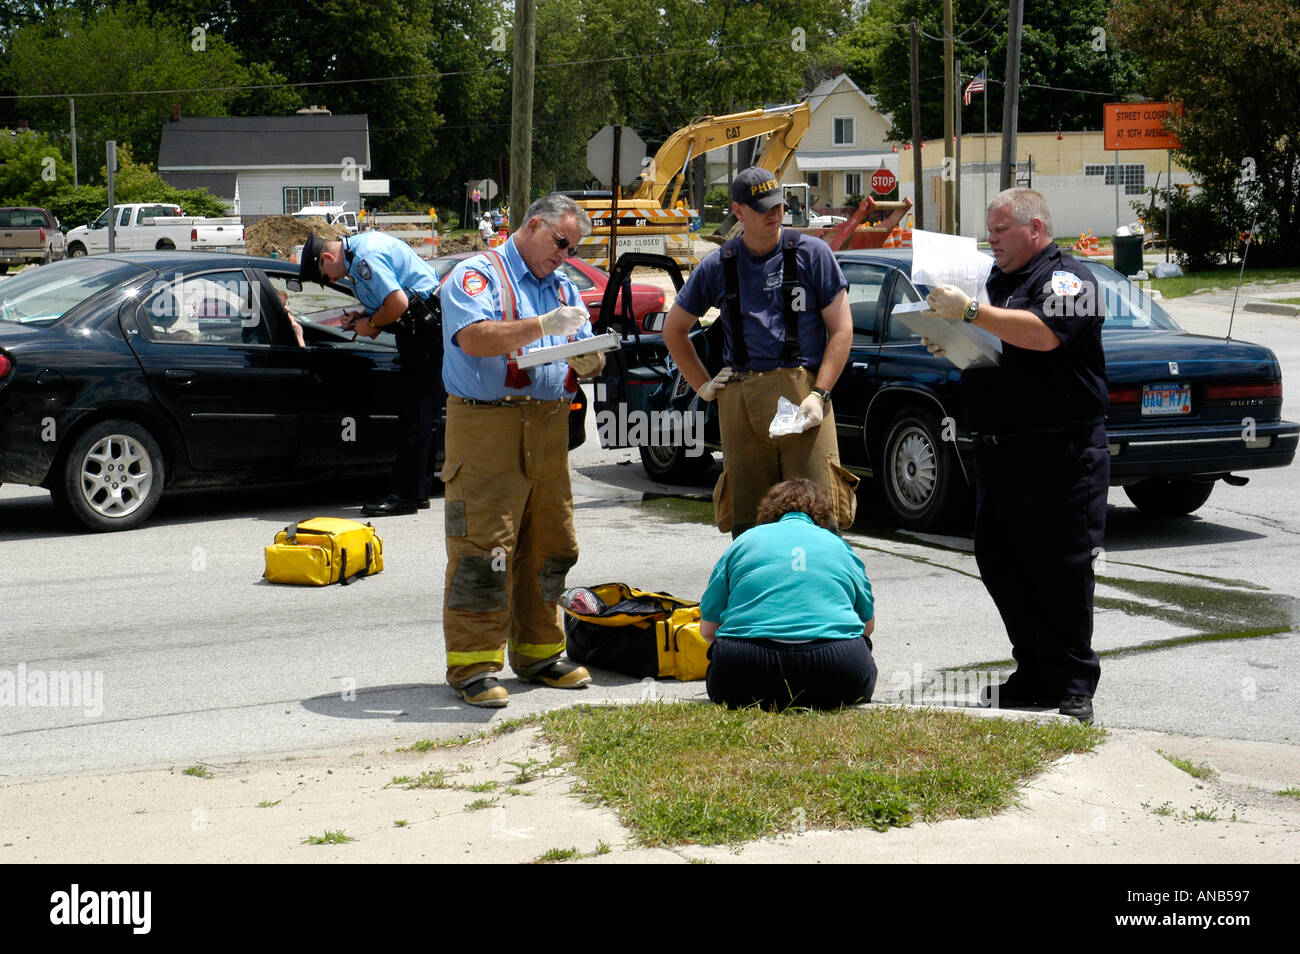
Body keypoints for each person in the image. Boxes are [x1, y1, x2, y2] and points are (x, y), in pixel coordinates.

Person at [923, 188, 1107, 723]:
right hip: (1000, 452)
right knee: (1003, 564)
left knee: (1062, 569)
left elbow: (1046, 335)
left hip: (1060, 451)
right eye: (989, 230)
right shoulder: (996, 281)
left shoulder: (1068, 278)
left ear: (1035, 229)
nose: (991, 240)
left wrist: (974, 311)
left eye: (1001, 230)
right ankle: (1034, 675)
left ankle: (1074, 683)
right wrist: (950, 336)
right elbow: (997, 346)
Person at [439, 194, 604, 707]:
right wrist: (543, 327)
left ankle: (539, 652)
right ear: (534, 225)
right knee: (484, 549)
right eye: (561, 243)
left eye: (573, 249)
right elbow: (474, 338)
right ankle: (473, 665)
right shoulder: (477, 274)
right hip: (489, 425)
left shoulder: (560, 285)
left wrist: (592, 360)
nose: (565, 256)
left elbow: (582, 345)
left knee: (549, 544)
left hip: (549, 427)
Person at [662, 166, 857, 538]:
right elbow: (674, 330)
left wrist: (820, 394)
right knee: (751, 526)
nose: (775, 214)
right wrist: (702, 385)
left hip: (805, 400)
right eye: (764, 208)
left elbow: (841, 330)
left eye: (779, 206)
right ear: (738, 212)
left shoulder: (813, 254)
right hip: (742, 400)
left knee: (818, 519)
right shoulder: (718, 265)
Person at [299, 229, 444, 517]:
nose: (332, 281)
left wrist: (373, 325)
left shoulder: (365, 257)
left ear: (327, 257)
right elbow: (392, 302)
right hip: (423, 330)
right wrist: (364, 320)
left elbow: (399, 304)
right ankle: (418, 491)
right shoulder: (361, 250)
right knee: (422, 416)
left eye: (325, 276)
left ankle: (403, 496)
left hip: (424, 332)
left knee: (414, 417)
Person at [700, 479, 877, 710]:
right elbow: (867, 626)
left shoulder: (743, 543)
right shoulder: (839, 546)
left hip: (745, 668)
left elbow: (708, 629)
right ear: (822, 517)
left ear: (768, 514)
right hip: (837, 669)